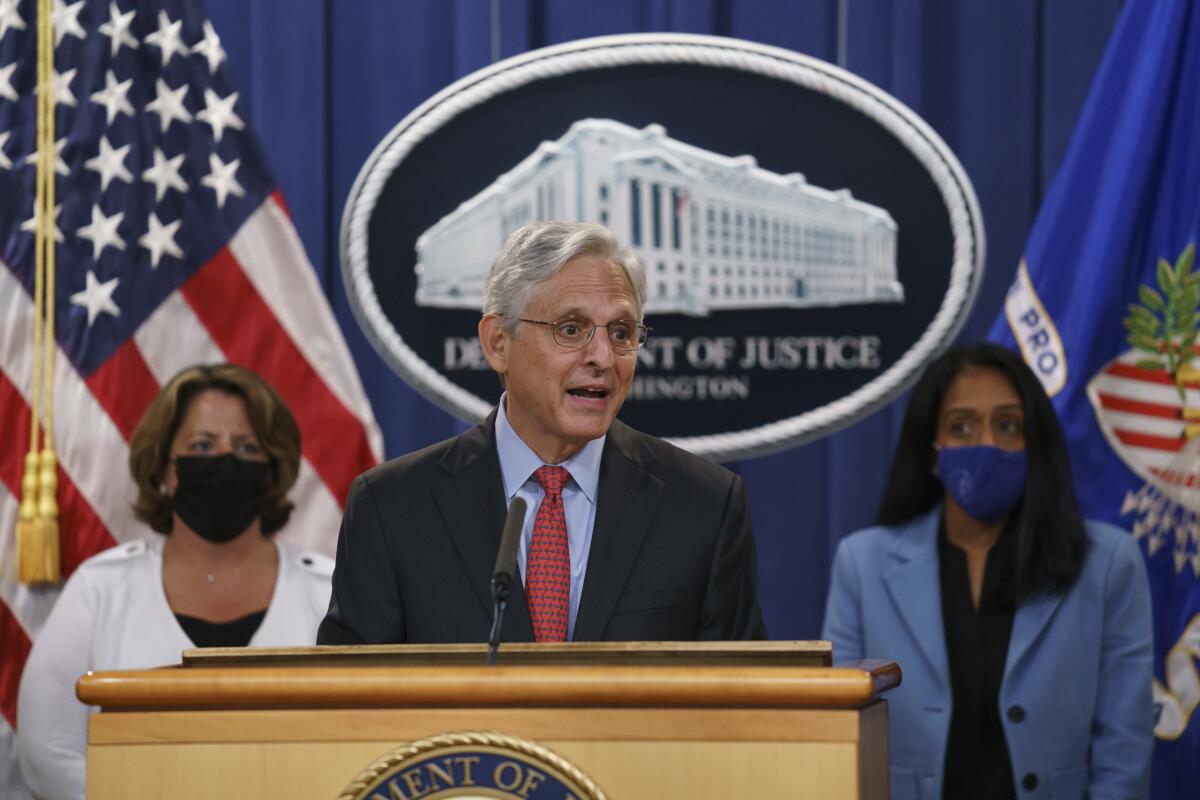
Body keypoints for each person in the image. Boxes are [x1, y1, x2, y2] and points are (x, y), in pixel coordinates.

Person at [318, 221, 766, 644]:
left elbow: (741, 703)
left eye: (622, 332)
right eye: (571, 329)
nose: (603, 357)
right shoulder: (393, 508)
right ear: (498, 342)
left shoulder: (704, 505)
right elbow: (350, 704)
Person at [822, 343, 1154, 800]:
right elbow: (842, 738)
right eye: (962, 427)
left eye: (1007, 425)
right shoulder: (862, 564)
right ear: (933, 452)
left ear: (1033, 442)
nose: (987, 444)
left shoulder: (1109, 563)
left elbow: (1124, 751)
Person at [17, 364, 333, 800]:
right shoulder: (100, 589)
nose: (225, 460)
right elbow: (47, 754)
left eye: (246, 447)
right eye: (203, 445)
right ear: (163, 469)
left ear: (272, 467)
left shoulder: (329, 590)